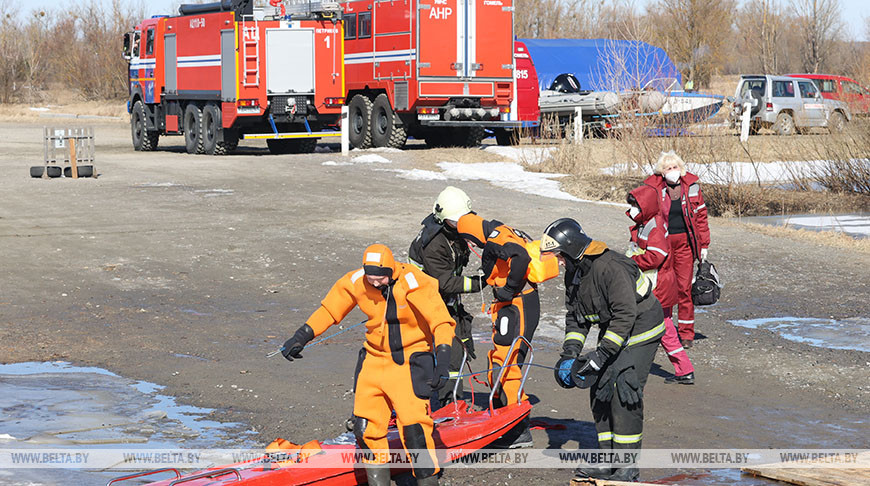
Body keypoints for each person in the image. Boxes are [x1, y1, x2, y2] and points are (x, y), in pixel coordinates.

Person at [282, 244, 455, 486]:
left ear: (392, 271)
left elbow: (441, 322)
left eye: (380, 279)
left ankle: (426, 480)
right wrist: (300, 337)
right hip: (374, 362)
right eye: (371, 279)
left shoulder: (415, 281)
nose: (375, 284)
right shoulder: (356, 281)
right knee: (365, 430)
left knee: (415, 431)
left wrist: (443, 359)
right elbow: (329, 310)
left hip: (409, 363)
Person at [541, 218, 664, 482]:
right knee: (599, 390)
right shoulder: (575, 272)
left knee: (623, 389)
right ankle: (608, 461)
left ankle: (627, 467)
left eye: (559, 256)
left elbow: (625, 315)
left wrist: (602, 355)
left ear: (572, 249)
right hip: (617, 330)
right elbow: (576, 317)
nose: (558, 261)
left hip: (641, 328)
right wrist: (569, 354)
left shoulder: (612, 268)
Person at [456, 211, 539, 448]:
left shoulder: (496, 238)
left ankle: (518, 431)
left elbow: (520, 257)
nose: (471, 246)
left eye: (469, 241)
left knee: (509, 364)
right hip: (511, 304)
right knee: (500, 361)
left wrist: (509, 289)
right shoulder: (499, 232)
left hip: (518, 304)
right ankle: (504, 420)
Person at [409, 186, 487, 406]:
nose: (461, 224)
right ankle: (448, 404)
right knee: (447, 353)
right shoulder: (433, 244)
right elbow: (445, 282)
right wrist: (480, 282)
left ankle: (452, 400)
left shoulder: (454, 233)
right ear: (443, 220)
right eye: (456, 221)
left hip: (446, 301)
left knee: (457, 349)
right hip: (425, 303)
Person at [626, 185, 695, 384]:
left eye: (635, 206)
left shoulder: (653, 225)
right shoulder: (648, 223)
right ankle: (683, 369)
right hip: (659, 283)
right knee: (663, 328)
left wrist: (632, 262)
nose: (632, 210)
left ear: (644, 206)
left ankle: (683, 369)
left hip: (658, 285)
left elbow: (657, 255)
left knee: (662, 328)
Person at [644, 151, 710, 349]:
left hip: (685, 245)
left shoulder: (692, 188)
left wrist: (704, 245)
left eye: (674, 167)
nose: (671, 171)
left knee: (684, 288)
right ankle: (662, 330)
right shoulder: (653, 188)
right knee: (662, 289)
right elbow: (642, 217)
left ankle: (686, 334)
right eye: (667, 168)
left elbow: (701, 218)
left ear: (681, 169)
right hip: (661, 245)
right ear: (661, 172)